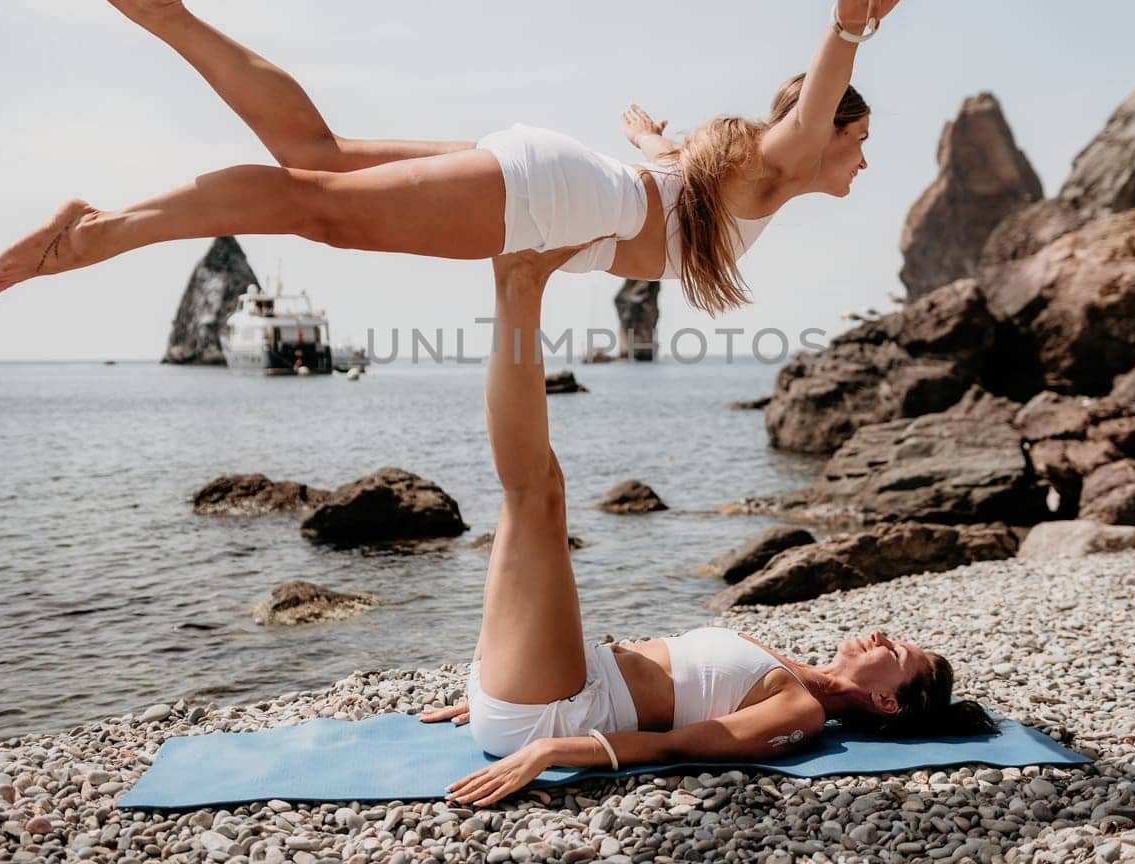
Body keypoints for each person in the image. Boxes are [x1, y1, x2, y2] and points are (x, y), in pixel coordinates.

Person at [0, 0, 925, 313]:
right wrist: (849, 27)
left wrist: (645, 138)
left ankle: (166, 15)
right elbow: (820, 96)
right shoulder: (787, 155)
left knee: (318, 159)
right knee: (314, 206)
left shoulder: (733, 165)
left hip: (567, 178)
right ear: (824, 130)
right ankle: (97, 233)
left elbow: (662, 172)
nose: (862, 159)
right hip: (556, 198)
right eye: (861, 139)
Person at [421, 245, 995, 808]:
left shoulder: (803, 714)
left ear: (886, 702)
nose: (879, 635)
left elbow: (676, 747)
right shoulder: (794, 672)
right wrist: (499, 682)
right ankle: (514, 275)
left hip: (558, 710)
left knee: (535, 492)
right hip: (548, 682)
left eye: (893, 653)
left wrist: (547, 750)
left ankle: (518, 276)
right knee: (536, 482)